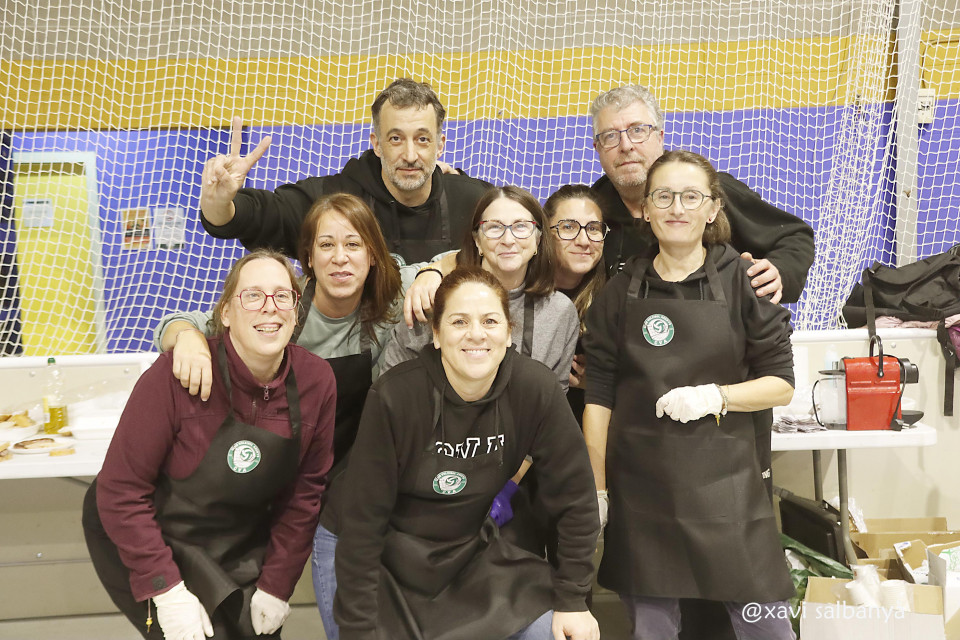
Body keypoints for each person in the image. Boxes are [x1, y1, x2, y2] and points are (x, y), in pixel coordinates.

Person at [153, 193, 419, 639]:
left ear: (374, 256)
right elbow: (180, 322)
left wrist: (430, 274)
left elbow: (451, 265)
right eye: (326, 245)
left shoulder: (392, 306)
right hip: (277, 480)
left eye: (353, 244)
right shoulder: (281, 310)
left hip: (352, 477)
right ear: (308, 258)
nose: (340, 258)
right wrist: (187, 339)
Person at [582, 150, 797, 640]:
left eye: (690, 196)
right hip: (642, 494)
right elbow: (599, 398)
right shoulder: (619, 292)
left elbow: (781, 384)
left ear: (713, 208)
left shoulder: (745, 281)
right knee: (652, 631)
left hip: (729, 491)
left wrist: (716, 397)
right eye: (663, 196)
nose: (676, 207)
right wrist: (598, 489)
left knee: (768, 630)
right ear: (646, 209)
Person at [334, 266, 601, 640]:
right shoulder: (395, 396)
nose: (476, 333)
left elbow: (576, 499)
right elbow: (362, 525)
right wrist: (358, 629)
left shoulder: (535, 388)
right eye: (459, 321)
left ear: (508, 332)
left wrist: (573, 600)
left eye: (490, 321)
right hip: (379, 558)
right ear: (436, 334)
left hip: (468, 550)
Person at [82, 249, 337, 639]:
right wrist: (166, 591)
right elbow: (121, 491)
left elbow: (304, 496)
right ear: (226, 313)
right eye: (253, 295)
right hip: (149, 532)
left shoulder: (316, 381)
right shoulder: (175, 376)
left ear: (296, 311)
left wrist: (277, 585)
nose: (269, 307)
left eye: (282, 296)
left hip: (236, 539)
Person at [199, 78, 492, 264]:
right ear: (376, 144)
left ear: (440, 145)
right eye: (395, 138)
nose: (410, 155)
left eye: (422, 139)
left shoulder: (474, 201)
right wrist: (219, 203)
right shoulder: (332, 199)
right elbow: (259, 216)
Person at [589, 84, 815, 305]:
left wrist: (780, 271)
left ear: (659, 136)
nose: (626, 145)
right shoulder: (589, 212)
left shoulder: (709, 191)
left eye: (637, 130)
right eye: (610, 136)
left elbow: (794, 237)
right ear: (597, 147)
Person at [382, 185, 579, 391]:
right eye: (494, 227)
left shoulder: (559, 311)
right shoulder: (434, 297)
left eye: (521, 226)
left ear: (538, 238)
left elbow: (553, 397)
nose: (508, 239)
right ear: (477, 240)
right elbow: (391, 388)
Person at [543, 184, 608, 424]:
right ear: (545, 232)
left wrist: (602, 386)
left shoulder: (613, 300)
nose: (583, 240)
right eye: (568, 227)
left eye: (593, 228)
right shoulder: (519, 291)